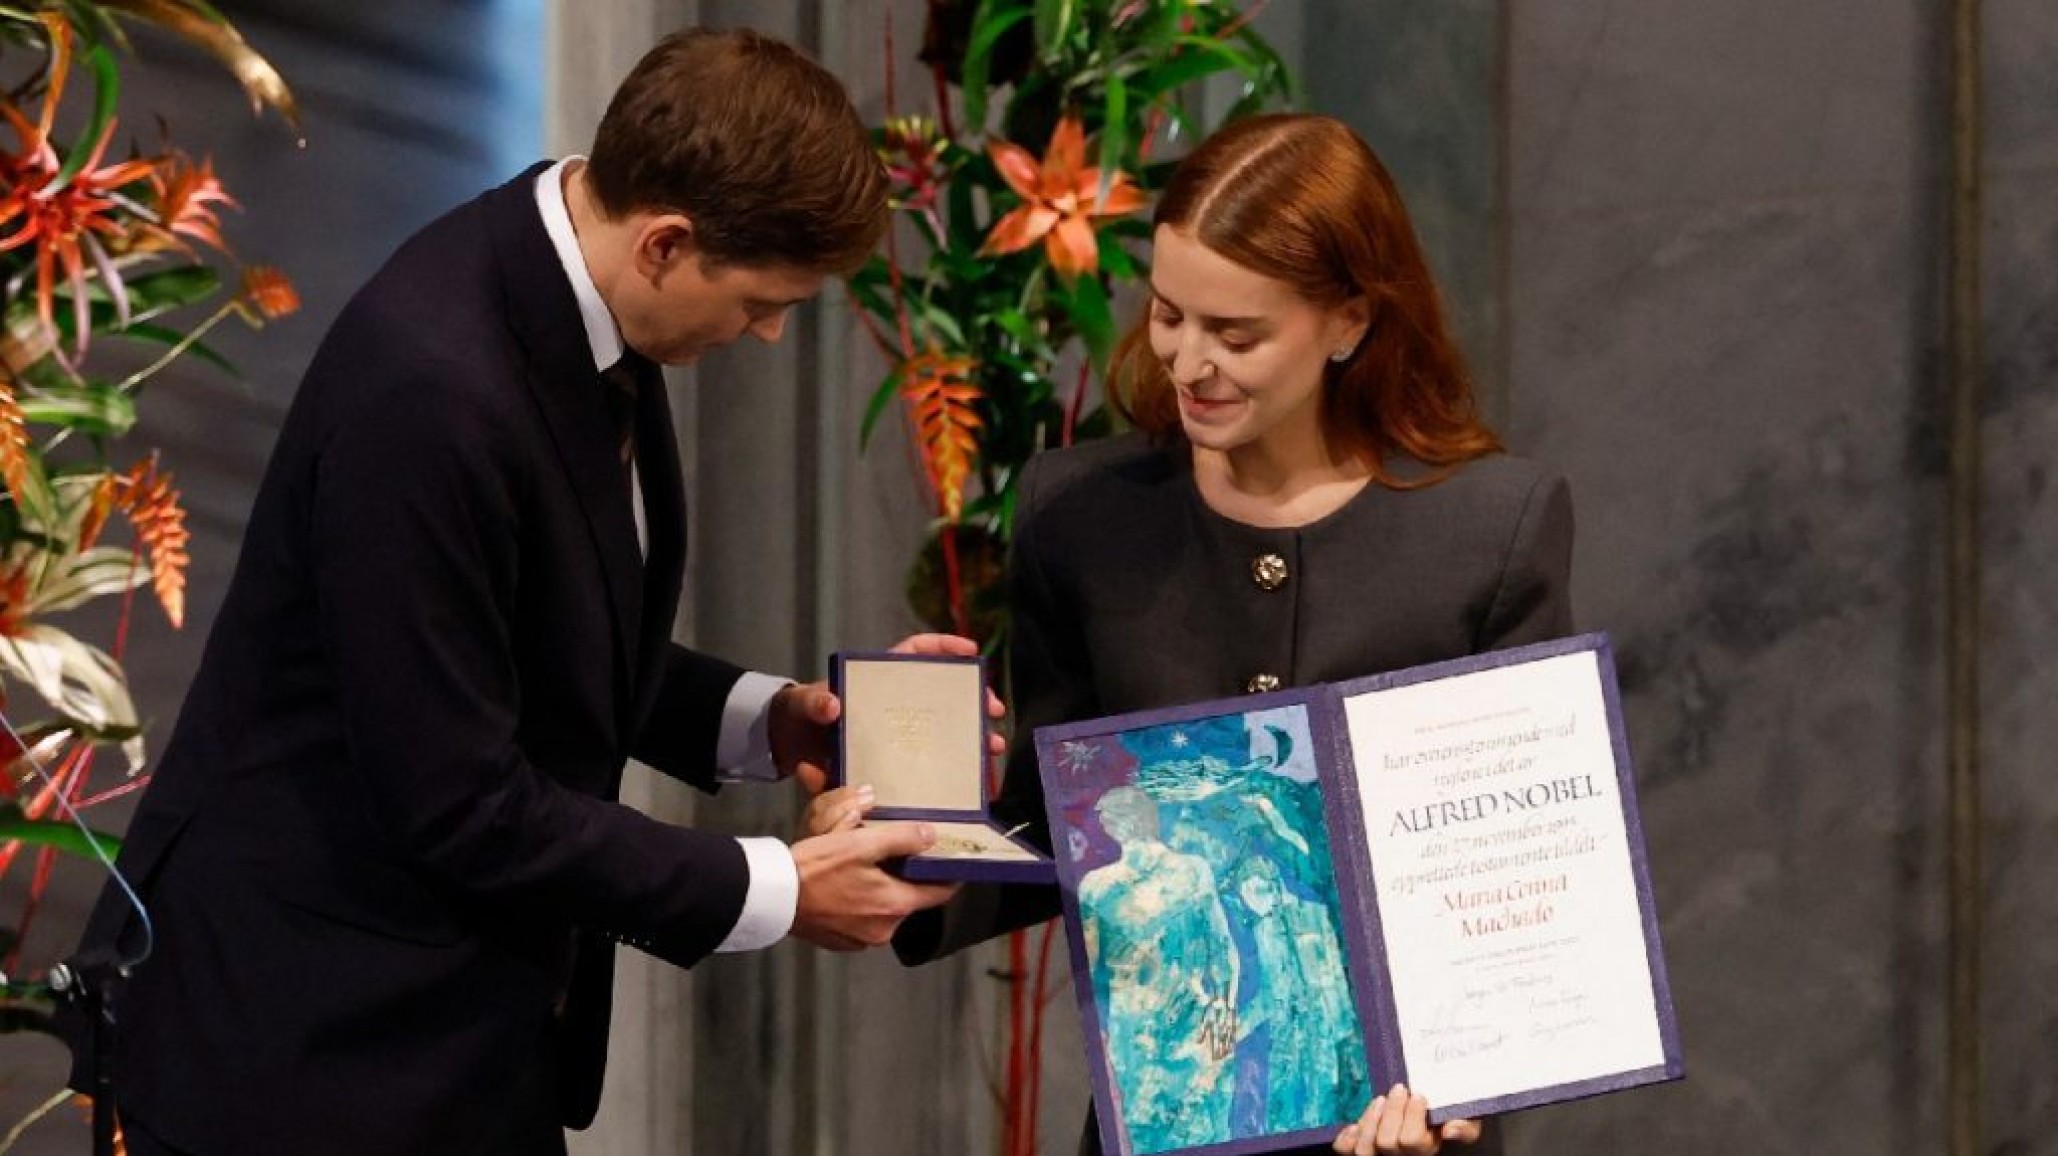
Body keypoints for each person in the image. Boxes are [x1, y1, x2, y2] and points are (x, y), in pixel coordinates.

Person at [60, 27, 990, 1156]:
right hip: (305, 1045)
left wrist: (768, 718)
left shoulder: (571, 283)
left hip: (455, 1033)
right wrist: (779, 888)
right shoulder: (433, 393)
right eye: (761, 300)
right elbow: (458, 800)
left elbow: (537, 626)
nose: (768, 332)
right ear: (666, 243)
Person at [810, 112, 1571, 1155]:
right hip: (1167, 1106)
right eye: (1169, 315)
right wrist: (898, 837)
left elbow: (1526, 866)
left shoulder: (1490, 531)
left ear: (1349, 321)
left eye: (1237, 335)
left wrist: (1467, 1084)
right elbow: (1057, 821)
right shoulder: (1080, 513)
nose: (1188, 361)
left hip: (1398, 1123)